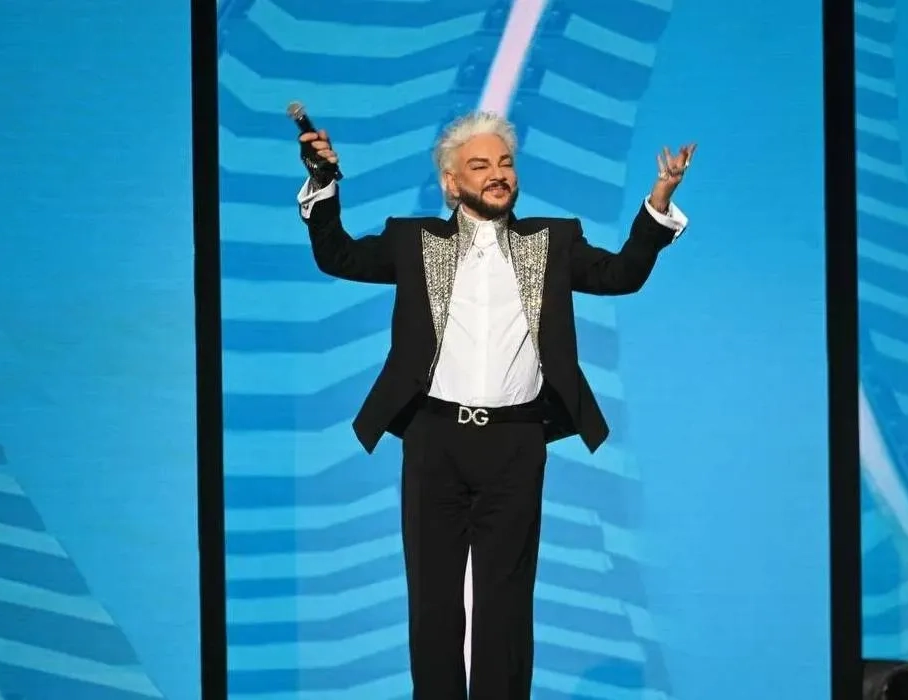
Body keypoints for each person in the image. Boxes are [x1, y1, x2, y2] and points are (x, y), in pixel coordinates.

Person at [296, 111, 694, 700]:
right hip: (434, 439)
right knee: (433, 602)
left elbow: (621, 274)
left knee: (505, 605)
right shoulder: (414, 241)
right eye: (480, 165)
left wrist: (658, 201)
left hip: (515, 442)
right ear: (451, 182)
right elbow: (339, 257)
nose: (497, 174)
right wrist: (324, 182)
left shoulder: (552, 241)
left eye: (505, 163)